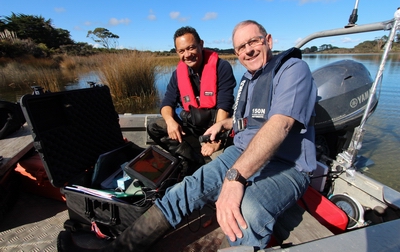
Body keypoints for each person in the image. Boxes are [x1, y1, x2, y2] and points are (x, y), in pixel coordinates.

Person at [58, 20, 317, 252]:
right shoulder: (251, 78)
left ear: (268, 41)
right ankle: (119, 248)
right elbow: (251, 120)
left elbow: (280, 124)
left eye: (253, 42)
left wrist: (235, 178)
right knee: (181, 192)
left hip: (287, 165)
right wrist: (225, 124)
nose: (248, 50)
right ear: (237, 53)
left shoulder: (293, 69)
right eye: (241, 47)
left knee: (246, 209)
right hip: (241, 153)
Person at [147, 26, 236, 170]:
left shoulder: (222, 67)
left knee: (223, 166)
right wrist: (170, 121)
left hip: (217, 127)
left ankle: (199, 162)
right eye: (182, 51)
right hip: (193, 127)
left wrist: (215, 139)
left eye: (191, 48)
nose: (187, 54)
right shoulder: (178, 74)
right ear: (177, 52)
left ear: (201, 44)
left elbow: (224, 106)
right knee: (155, 126)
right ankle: (197, 161)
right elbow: (167, 103)